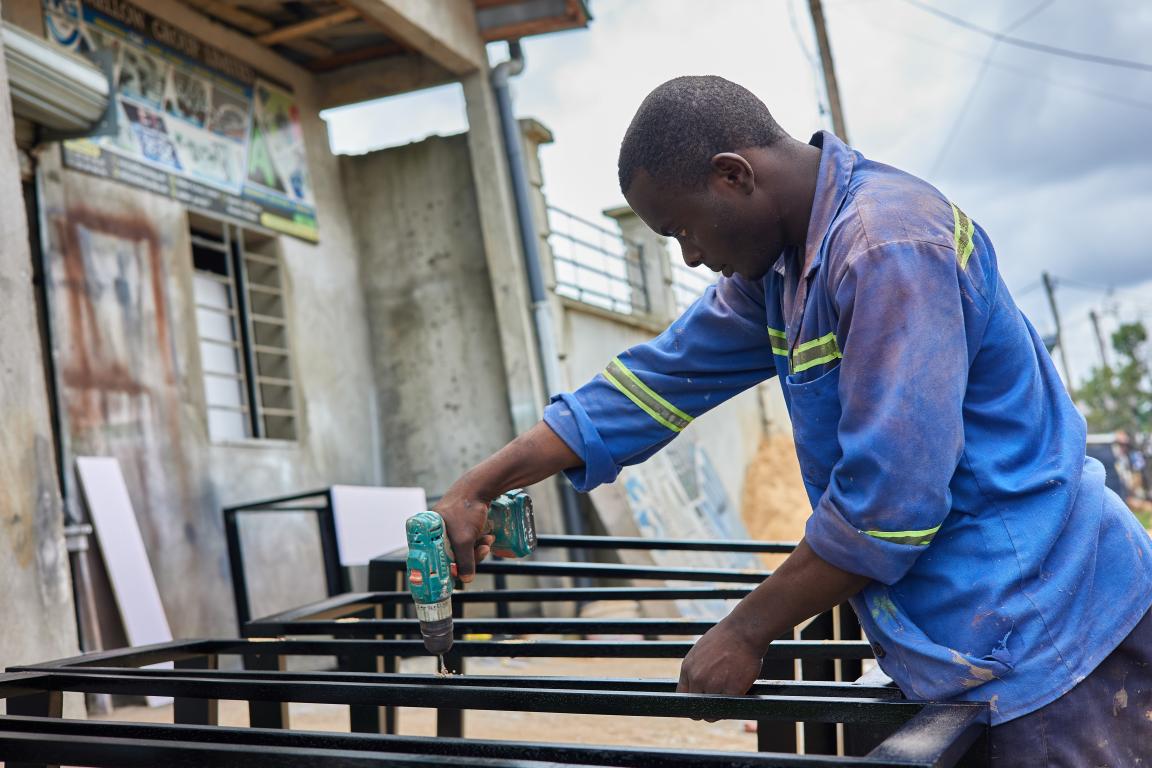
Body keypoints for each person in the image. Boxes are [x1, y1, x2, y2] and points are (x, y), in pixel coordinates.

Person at [435, 76, 1152, 764]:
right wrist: (479, 485)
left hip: (1051, 637)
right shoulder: (779, 271)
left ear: (733, 175)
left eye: (683, 229)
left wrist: (745, 631)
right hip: (967, 642)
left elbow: (888, 509)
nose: (690, 256)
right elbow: (652, 384)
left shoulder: (886, 246)